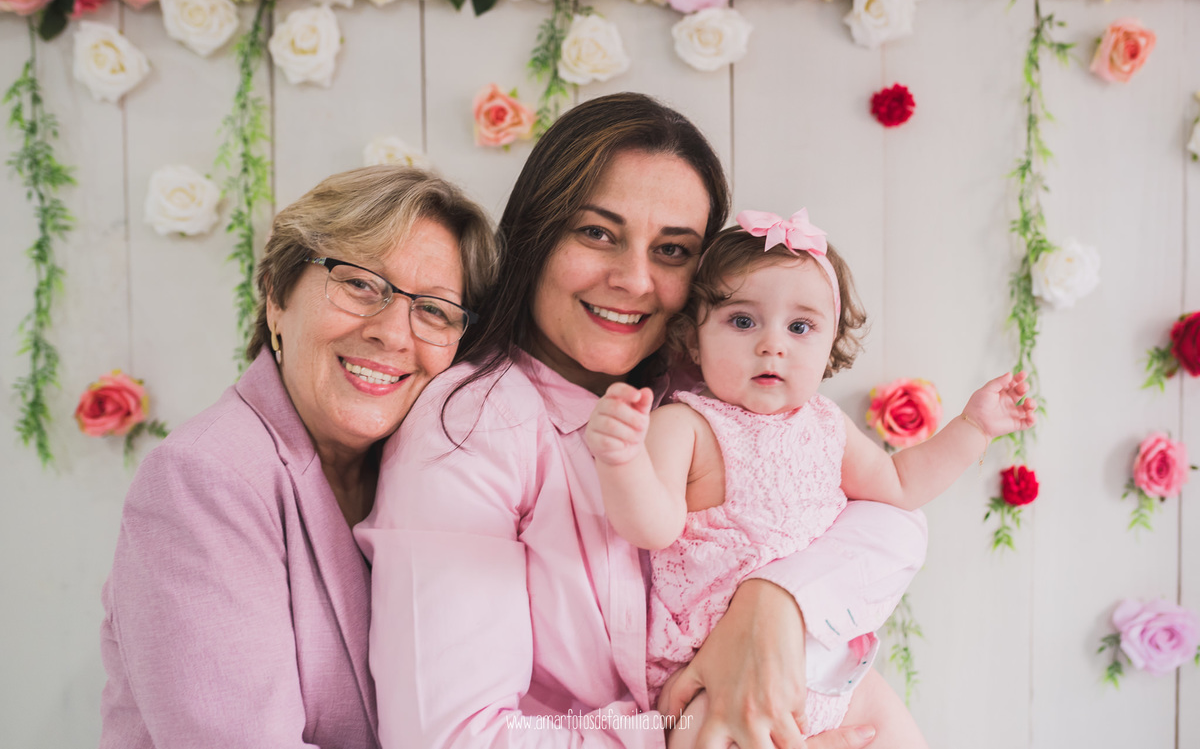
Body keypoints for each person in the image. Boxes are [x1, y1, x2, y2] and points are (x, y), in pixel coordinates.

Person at [357, 93, 928, 749]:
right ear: (537, 235)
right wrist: (687, 734)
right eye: (598, 233)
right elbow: (453, 737)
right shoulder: (469, 428)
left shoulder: (710, 388)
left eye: (673, 249)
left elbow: (895, 517)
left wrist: (776, 601)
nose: (633, 280)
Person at [585, 210, 1038, 747]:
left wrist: (973, 428)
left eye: (799, 327)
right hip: (716, 678)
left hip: (835, 671)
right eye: (742, 321)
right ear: (694, 337)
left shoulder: (825, 424)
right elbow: (651, 527)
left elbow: (899, 484)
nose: (771, 345)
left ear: (830, 346)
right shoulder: (686, 425)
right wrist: (622, 458)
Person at [98, 166, 496, 749]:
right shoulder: (203, 479)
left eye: (434, 310)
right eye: (361, 284)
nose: (393, 334)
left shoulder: (424, 475)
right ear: (277, 298)